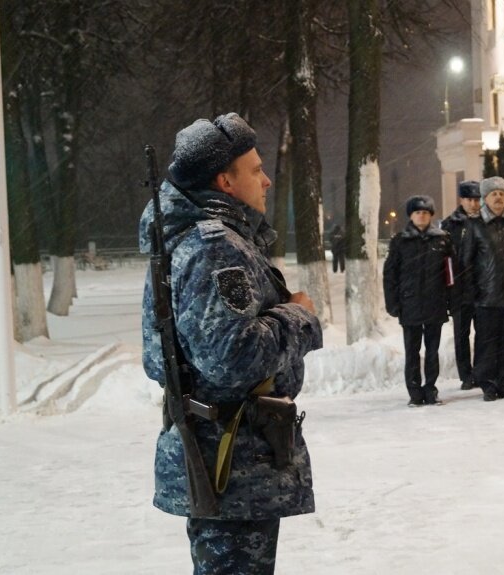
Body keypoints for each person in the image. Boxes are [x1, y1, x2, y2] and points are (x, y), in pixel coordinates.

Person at [140, 113, 323, 574]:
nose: (266, 179)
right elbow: (232, 356)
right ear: (225, 180)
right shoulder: (213, 247)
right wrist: (298, 314)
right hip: (232, 464)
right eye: (255, 169)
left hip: (231, 461)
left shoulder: (206, 239)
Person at [461, 176, 504, 401]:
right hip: (486, 294)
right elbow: (466, 262)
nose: (498, 197)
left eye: (501, 193)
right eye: (493, 194)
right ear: (485, 198)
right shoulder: (475, 224)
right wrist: (471, 290)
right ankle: (488, 384)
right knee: (486, 342)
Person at [383, 195, 455, 406]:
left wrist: (450, 300)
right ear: (411, 216)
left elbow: (451, 273)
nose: (421, 216)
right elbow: (390, 275)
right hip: (410, 304)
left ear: (431, 216)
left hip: (435, 303)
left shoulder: (442, 239)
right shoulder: (400, 241)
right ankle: (414, 392)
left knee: (432, 351)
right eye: (417, 212)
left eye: (425, 212)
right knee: (412, 352)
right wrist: (393, 303)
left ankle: (431, 389)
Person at [441, 181, 482, 390]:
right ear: (462, 200)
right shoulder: (450, 225)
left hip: (482, 288)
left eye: (477, 200)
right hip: (459, 289)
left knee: (483, 333)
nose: (474, 204)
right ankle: (466, 375)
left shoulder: (485, 221)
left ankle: (482, 371)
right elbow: (445, 259)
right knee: (461, 335)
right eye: (470, 200)